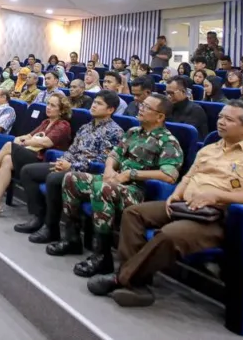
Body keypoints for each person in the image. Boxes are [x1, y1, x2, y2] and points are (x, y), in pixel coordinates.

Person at [87, 100, 243, 307]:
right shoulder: (209, 149)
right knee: (134, 213)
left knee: (170, 234)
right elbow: (188, 177)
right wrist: (176, 194)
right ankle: (138, 284)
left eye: (229, 119)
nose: (221, 122)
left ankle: (122, 278)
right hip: (185, 205)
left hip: (215, 217)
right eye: (220, 117)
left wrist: (218, 196)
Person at [56, 92, 183, 277]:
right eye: (142, 105)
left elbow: (169, 175)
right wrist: (109, 169)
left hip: (136, 190)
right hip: (116, 181)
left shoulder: (167, 141)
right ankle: (72, 239)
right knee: (71, 178)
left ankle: (102, 255)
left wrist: (130, 174)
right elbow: (114, 155)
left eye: (147, 107)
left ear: (160, 116)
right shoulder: (133, 132)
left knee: (103, 188)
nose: (141, 108)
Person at [15, 92, 124, 245]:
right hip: (69, 165)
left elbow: (103, 161)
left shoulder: (115, 132)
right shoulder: (86, 127)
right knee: (28, 171)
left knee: (53, 179)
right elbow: (72, 150)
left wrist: (71, 166)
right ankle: (38, 217)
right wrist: (63, 161)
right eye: (94, 102)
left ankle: (51, 228)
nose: (93, 105)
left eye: (99, 103)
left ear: (110, 110)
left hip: (88, 172)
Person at [0, 93, 74, 214]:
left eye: (53, 105)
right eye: (48, 104)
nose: (48, 107)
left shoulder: (63, 125)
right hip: (32, 153)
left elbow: (46, 142)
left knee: (9, 146)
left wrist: (24, 142)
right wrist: (20, 139)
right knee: (7, 159)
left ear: (61, 110)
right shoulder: (46, 122)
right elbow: (29, 135)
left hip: (44, 160)